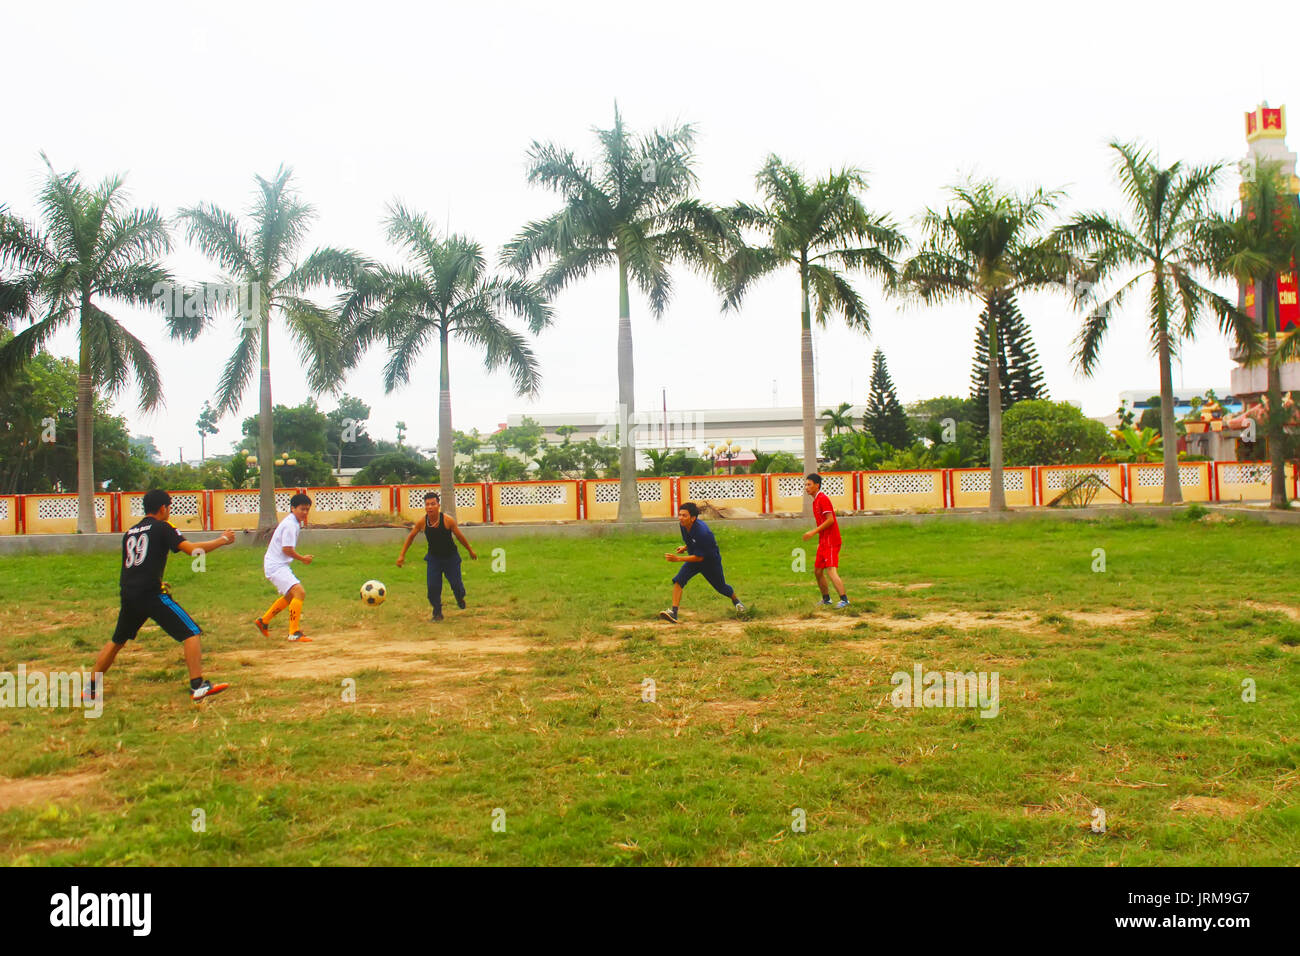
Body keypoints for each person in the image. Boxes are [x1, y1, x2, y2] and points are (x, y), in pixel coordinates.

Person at [83, 489, 236, 703]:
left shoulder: (131, 532)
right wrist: (222, 540)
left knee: (118, 640)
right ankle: (197, 686)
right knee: (191, 632)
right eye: (169, 507)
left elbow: (135, 565)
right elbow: (193, 551)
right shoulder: (163, 527)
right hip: (150, 595)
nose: (169, 511)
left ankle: (90, 688)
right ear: (163, 508)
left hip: (129, 593)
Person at [396, 491, 478, 622]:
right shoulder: (422, 522)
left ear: (438, 505)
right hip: (434, 559)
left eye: (433, 504)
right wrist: (401, 556)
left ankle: (459, 597)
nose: (430, 507)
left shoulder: (447, 520)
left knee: (456, 585)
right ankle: (437, 613)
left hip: (451, 558)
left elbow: (459, 536)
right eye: (427, 504)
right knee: (433, 587)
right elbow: (411, 537)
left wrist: (470, 551)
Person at [659, 502, 745, 623]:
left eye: (684, 515)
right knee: (679, 580)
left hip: (710, 562)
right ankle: (674, 612)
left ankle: (737, 602)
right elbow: (691, 541)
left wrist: (677, 559)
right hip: (694, 559)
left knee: (721, 587)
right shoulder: (683, 525)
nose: (680, 518)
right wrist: (685, 547)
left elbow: (700, 557)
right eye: (680, 515)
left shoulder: (703, 532)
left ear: (693, 518)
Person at [253, 493, 314, 642]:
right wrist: (303, 559)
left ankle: (264, 621)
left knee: (291, 595)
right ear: (293, 508)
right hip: (276, 566)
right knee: (299, 592)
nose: (305, 513)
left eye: (307, 509)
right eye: (302, 509)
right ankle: (294, 632)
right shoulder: (290, 525)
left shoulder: (293, 522)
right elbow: (287, 549)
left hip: (277, 564)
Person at [803, 473, 848, 608]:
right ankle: (826, 599)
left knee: (831, 570)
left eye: (809, 484)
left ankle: (844, 600)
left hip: (831, 540)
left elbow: (830, 520)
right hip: (824, 541)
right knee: (817, 571)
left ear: (817, 485)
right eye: (805, 485)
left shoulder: (823, 499)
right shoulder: (815, 500)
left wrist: (813, 532)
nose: (806, 487)